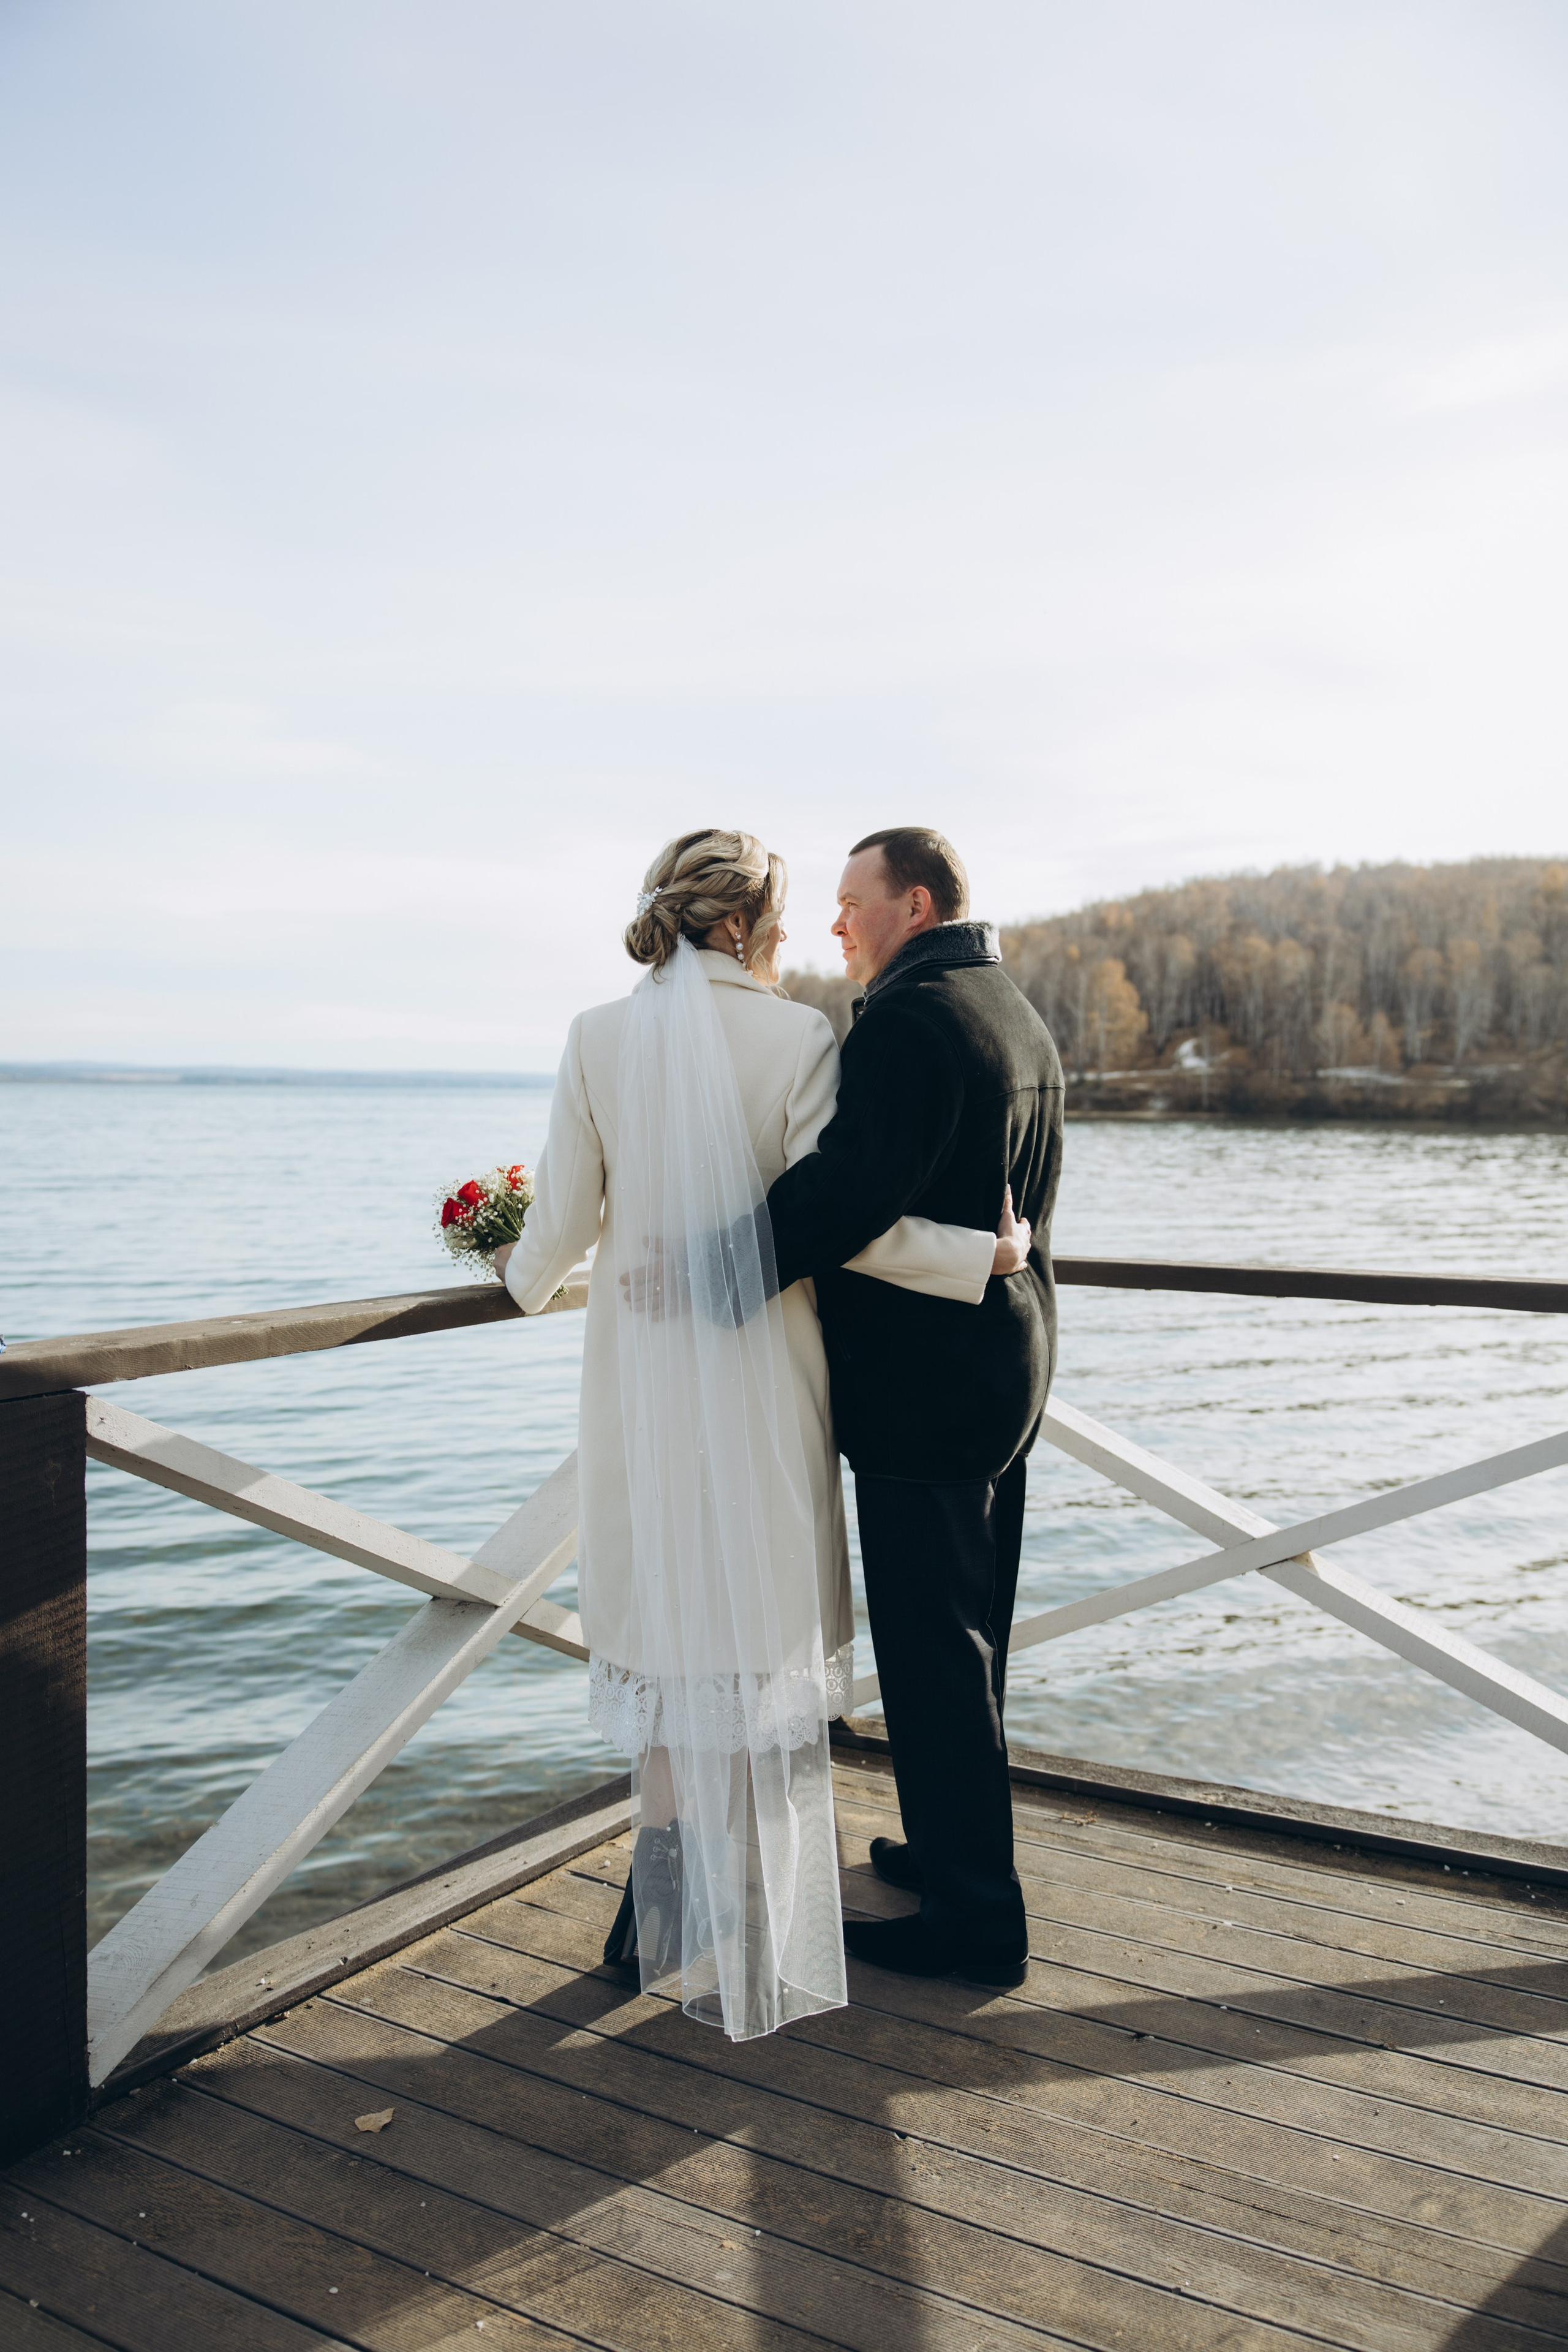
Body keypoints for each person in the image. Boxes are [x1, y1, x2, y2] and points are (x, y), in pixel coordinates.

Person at [493, 829, 1029, 2041]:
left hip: (642, 1382)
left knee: (669, 1622)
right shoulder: (799, 1039)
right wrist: (979, 1255)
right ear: (745, 924)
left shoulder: (596, 1036)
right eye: (787, 914)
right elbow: (842, 1222)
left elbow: (556, 1235)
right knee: (750, 1627)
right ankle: (737, 1891)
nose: (801, 932)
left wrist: (504, 1266)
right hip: (768, 1372)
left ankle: (660, 1899)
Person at [763, 826, 1065, 1988]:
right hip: (1008, 1364)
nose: (837, 921)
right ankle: (947, 1853)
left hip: (929, 1391)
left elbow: (846, 1195)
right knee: (971, 1642)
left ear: (918, 905)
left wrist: (709, 1266)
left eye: (855, 900)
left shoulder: (909, 1021)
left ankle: (975, 1920)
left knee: (935, 1654)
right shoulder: (1012, 1011)